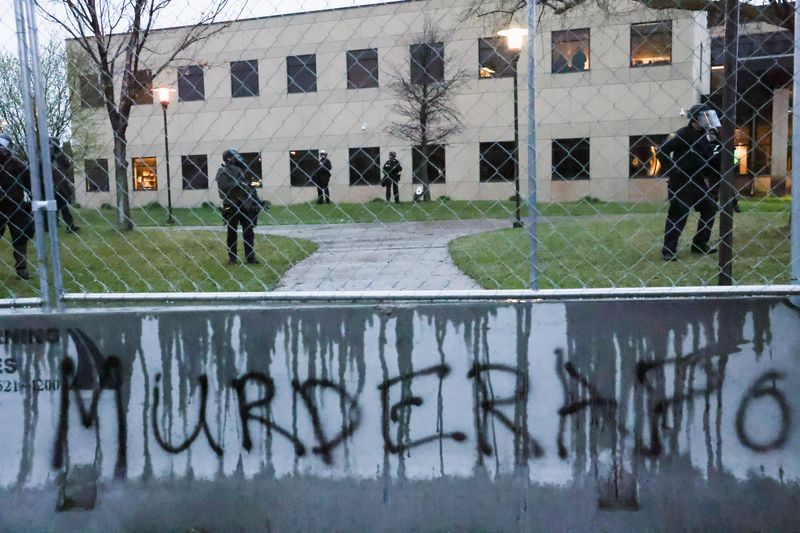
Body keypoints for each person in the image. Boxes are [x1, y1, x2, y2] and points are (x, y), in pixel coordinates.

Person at [658, 103, 721, 261]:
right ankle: (668, 251)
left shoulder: (707, 135)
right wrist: (674, 169)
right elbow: (661, 151)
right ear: (695, 119)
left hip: (698, 181)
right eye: (704, 117)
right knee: (678, 215)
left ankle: (699, 244)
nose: (708, 120)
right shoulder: (682, 134)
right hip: (681, 182)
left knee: (710, 208)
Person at [216, 148, 260, 265]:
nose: (237, 159)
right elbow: (223, 189)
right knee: (232, 232)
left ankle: (250, 257)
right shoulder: (222, 171)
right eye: (234, 157)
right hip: (232, 205)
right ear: (228, 159)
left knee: (249, 232)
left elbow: (251, 188)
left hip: (246, 205)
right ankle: (232, 258)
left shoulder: (244, 170)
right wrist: (238, 184)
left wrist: (257, 201)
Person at [0, 133, 34, 279]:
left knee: (20, 238)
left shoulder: (16, 164)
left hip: (16, 206)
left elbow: (29, 183)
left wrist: (30, 201)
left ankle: (21, 269)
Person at [49, 138, 79, 233]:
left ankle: (68, 226)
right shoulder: (54, 155)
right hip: (56, 184)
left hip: (58, 184)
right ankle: (68, 226)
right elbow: (66, 164)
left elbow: (66, 164)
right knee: (60, 206)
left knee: (60, 206)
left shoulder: (57, 155)